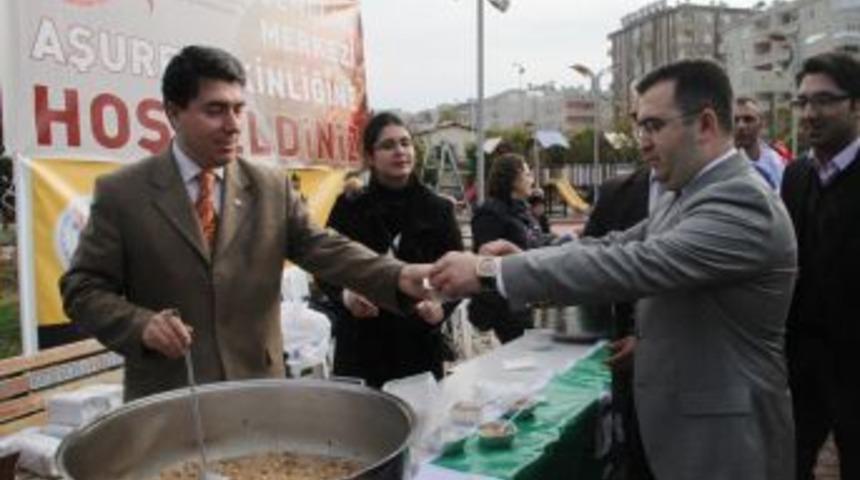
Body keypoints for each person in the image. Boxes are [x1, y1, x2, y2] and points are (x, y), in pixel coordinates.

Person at [430, 59, 797, 480]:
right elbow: (614, 243)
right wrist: (521, 259)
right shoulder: (687, 194)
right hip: (688, 430)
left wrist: (489, 270)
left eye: (654, 126)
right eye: (641, 126)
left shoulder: (740, 203)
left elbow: (627, 265)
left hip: (725, 444)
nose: (642, 142)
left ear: (707, 124)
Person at [59, 45, 428, 401]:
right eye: (216, 110)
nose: (234, 125)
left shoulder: (269, 187)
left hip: (259, 392)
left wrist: (397, 277)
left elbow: (325, 248)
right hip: (169, 399)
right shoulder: (123, 193)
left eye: (239, 109)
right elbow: (83, 289)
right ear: (173, 113)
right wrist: (140, 325)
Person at [317, 112, 463, 388]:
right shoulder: (349, 207)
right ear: (370, 157)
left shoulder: (439, 209)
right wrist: (347, 296)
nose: (400, 151)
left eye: (405, 143)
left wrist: (441, 305)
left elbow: (456, 272)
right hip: (361, 346)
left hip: (417, 347)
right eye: (388, 145)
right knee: (360, 428)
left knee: (422, 426)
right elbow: (326, 268)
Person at [781, 52, 860, 480]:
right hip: (801, 366)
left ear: (857, 105)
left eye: (824, 100)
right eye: (803, 102)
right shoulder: (794, 177)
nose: (810, 113)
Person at [468, 153, 550, 343]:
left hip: (531, 298)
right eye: (527, 173)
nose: (532, 179)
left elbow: (536, 242)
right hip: (509, 307)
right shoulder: (490, 213)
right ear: (513, 179)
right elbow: (485, 263)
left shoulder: (523, 210)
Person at [733, 96, 785, 191]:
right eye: (735, 120)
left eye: (748, 119)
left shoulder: (775, 162)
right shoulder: (721, 163)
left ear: (761, 124)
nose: (741, 126)